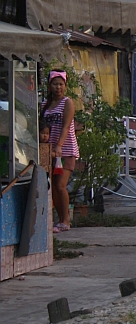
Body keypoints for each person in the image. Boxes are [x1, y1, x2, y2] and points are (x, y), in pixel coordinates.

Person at [41, 71, 79, 233]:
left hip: (65, 149)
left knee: (60, 184)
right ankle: (57, 220)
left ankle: (65, 220)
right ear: (49, 86)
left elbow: (65, 126)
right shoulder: (45, 104)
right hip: (49, 150)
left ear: (65, 86)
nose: (58, 87)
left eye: (61, 84)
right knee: (52, 186)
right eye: (55, 84)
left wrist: (59, 145)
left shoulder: (67, 102)